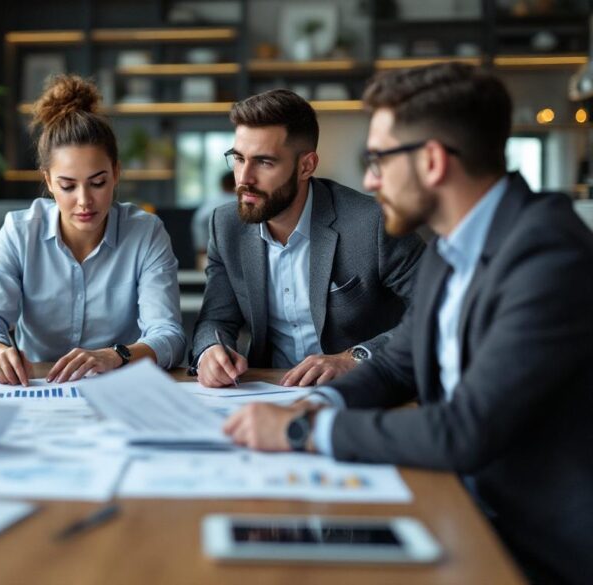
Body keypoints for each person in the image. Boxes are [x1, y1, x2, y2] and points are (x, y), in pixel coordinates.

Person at [223, 63, 593, 584]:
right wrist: (318, 402)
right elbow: (400, 362)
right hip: (458, 507)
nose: (370, 180)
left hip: (531, 547)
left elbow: (465, 429)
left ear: (433, 161)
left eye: (378, 160)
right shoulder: (452, 242)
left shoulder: (547, 255)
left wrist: (305, 429)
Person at [191, 89, 425, 388]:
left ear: (306, 166)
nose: (244, 178)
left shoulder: (373, 223)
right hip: (265, 391)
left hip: (363, 390)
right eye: (238, 158)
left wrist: (356, 357)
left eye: (264, 162)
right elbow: (215, 320)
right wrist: (210, 350)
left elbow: (440, 309)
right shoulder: (226, 225)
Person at [0, 74, 186, 385]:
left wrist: (114, 355)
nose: (84, 201)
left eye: (98, 183)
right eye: (68, 186)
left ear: (116, 173)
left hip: (120, 386)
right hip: (37, 387)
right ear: (49, 181)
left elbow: (169, 335)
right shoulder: (19, 232)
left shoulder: (145, 233)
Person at [191, 171, 237, 255]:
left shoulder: (211, 202)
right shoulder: (244, 202)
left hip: (212, 251)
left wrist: (202, 251)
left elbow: (200, 223)